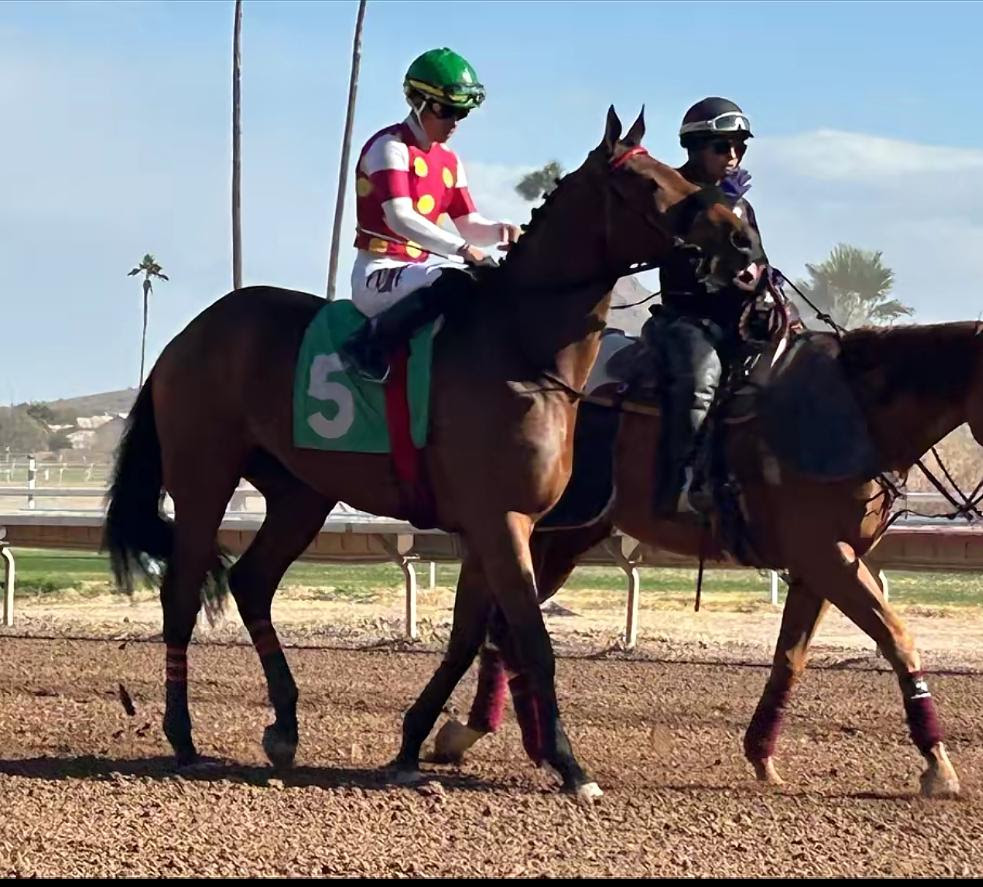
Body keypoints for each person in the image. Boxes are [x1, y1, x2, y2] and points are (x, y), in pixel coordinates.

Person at [339, 47, 521, 382]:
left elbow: (469, 225)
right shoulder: (388, 148)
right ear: (419, 102)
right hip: (378, 274)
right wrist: (463, 250)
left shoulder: (449, 160)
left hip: (417, 272)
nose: (454, 123)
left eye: (461, 114)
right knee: (454, 281)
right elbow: (400, 218)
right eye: (447, 111)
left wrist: (503, 231)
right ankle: (367, 346)